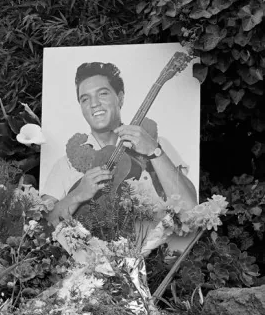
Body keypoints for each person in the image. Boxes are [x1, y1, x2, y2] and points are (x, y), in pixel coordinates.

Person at [43, 61, 197, 223]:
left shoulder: (156, 144)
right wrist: (77, 194)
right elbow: (42, 227)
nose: (94, 104)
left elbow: (191, 210)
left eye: (102, 94)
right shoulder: (65, 164)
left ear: (120, 98)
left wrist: (154, 151)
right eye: (85, 99)